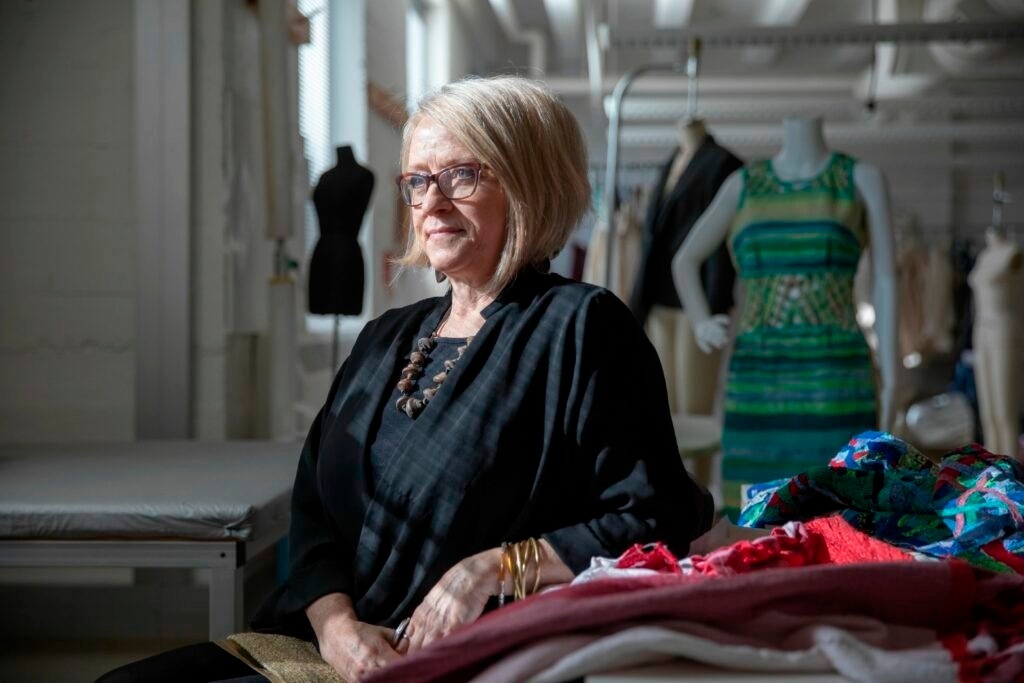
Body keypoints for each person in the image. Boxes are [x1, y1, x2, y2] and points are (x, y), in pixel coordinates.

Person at [99, 76, 713, 683]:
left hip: (460, 654)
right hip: (325, 642)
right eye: (418, 180)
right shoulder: (386, 336)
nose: (432, 202)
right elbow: (314, 517)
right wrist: (337, 629)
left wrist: (491, 571)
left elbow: (652, 518)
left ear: (530, 183)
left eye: (462, 175)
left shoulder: (582, 326)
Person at [671, 115, 898, 517]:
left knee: (844, 512)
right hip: (758, 378)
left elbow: (886, 277)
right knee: (755, 516)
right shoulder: (743, 185)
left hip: (836, 378)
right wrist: (701, 321)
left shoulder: (860, 179)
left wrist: (892, 370)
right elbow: (684, 260)